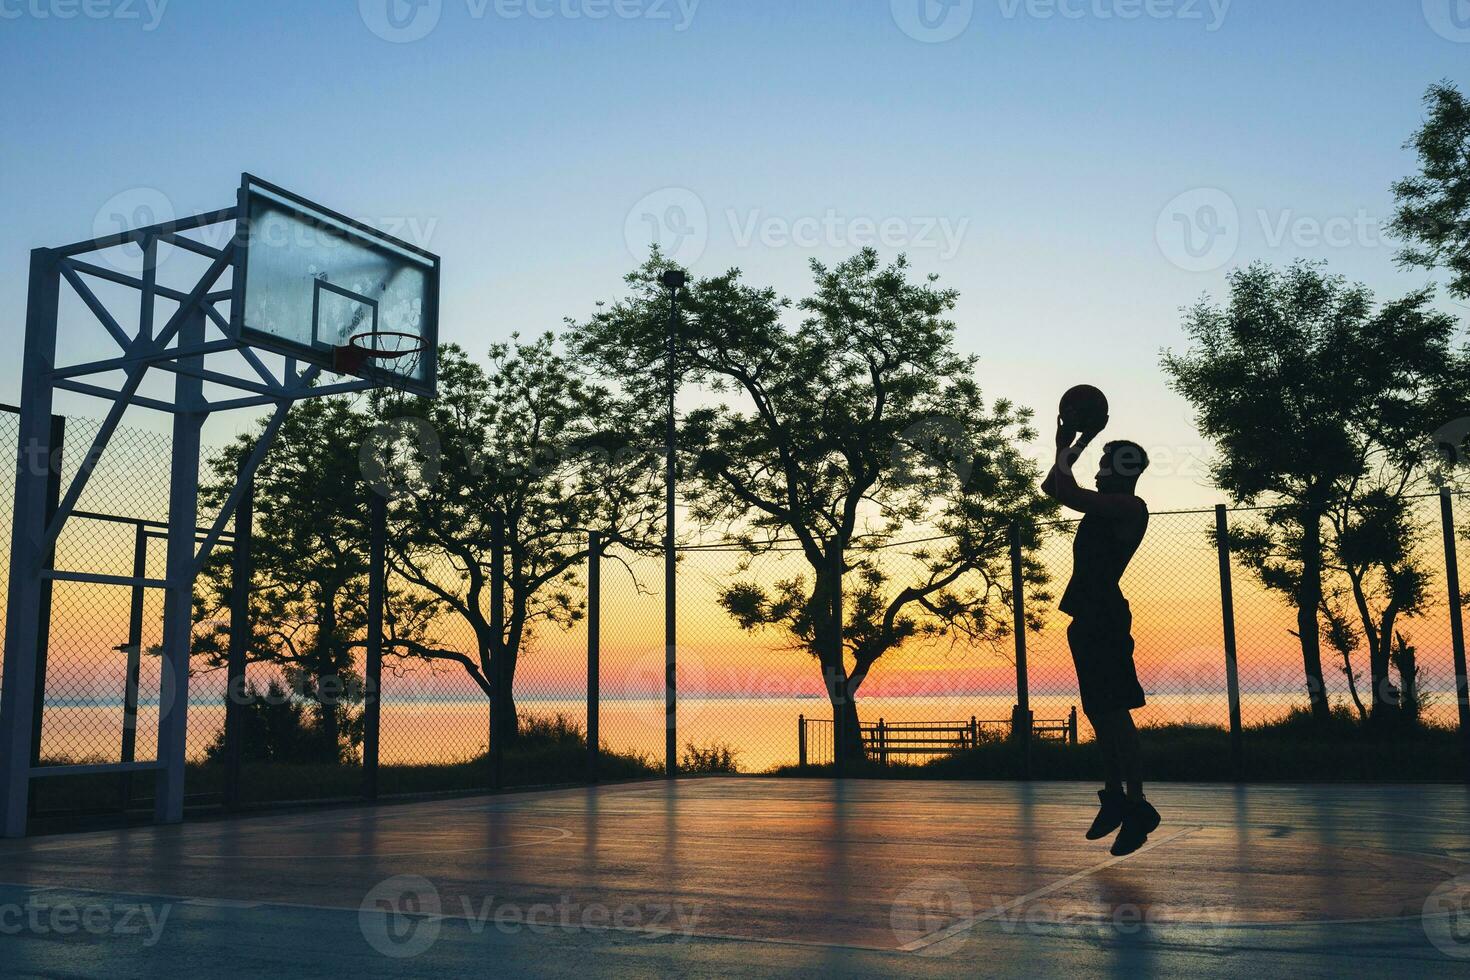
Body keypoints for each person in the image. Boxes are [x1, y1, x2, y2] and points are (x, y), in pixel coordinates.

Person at [1041, 413, 1157, 856]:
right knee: (1099, 713)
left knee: (1115, 714)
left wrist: (1075, 442)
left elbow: (1065, 491)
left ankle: (1138, 805)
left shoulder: (1130, 507)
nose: (1096, 470)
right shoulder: (1104, 504)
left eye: (1103, 464)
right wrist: (1080, 440)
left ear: (1120, 472)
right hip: (1087, 619)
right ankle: (1114, 797)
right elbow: (1053, 487)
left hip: (1106, 617)